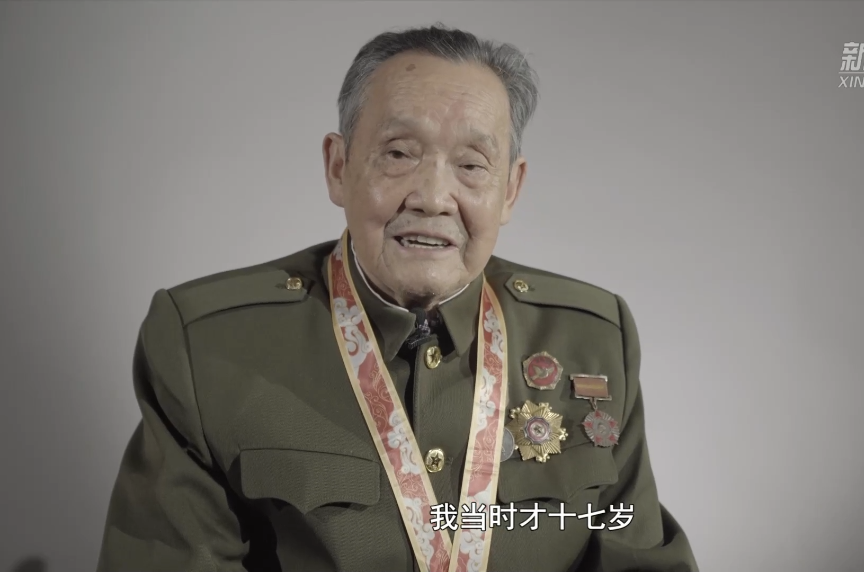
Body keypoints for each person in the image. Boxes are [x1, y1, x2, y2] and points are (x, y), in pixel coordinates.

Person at [97, 24, 699, 572]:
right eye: (399, 153)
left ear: (510, 190)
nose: (433, 197)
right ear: (339, 167)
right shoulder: (208, 346)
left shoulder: (594, 339)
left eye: (472, 164)